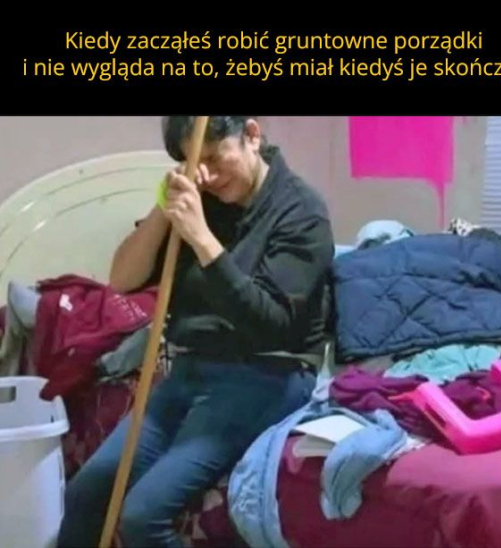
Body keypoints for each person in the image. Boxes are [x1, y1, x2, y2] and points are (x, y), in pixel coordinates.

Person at [57, 116, 334, 547]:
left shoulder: (301, 211)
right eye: (194, 163)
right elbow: (123, 279)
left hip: (267, 373)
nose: (208, 174)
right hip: (191, 371)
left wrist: (202, 238)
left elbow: (271, 323)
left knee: (143, 516)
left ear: (252, 135)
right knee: (85, 493)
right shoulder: (201, 201)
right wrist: (163, 210)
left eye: (213, 157)